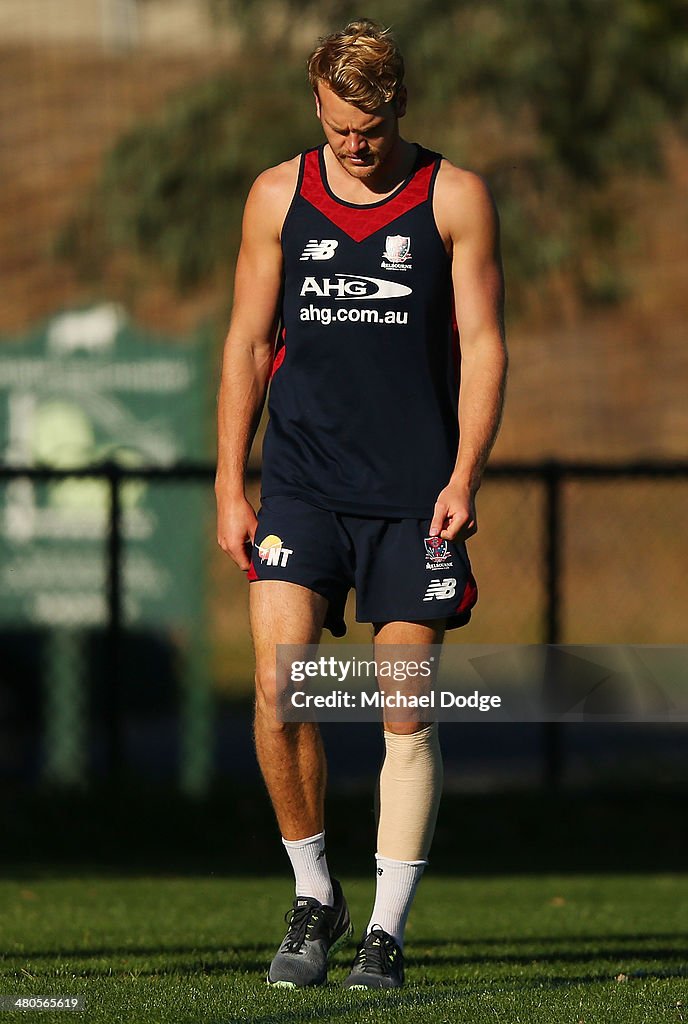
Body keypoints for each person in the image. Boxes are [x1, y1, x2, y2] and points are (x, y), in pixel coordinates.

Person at [216, 18, 507, 990]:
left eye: (369, 131)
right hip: (299, 480)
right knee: (277, 683)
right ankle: (313, 893)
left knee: (403, 708)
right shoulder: (276, 197)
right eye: (339, 130)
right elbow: (249, 345)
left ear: (398, 109)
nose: (353, 147)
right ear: (317, 108)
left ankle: (383, 930)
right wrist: (230, 480)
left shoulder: (454, 197)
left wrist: (464, 475)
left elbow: (482, 344)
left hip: (413, 497)